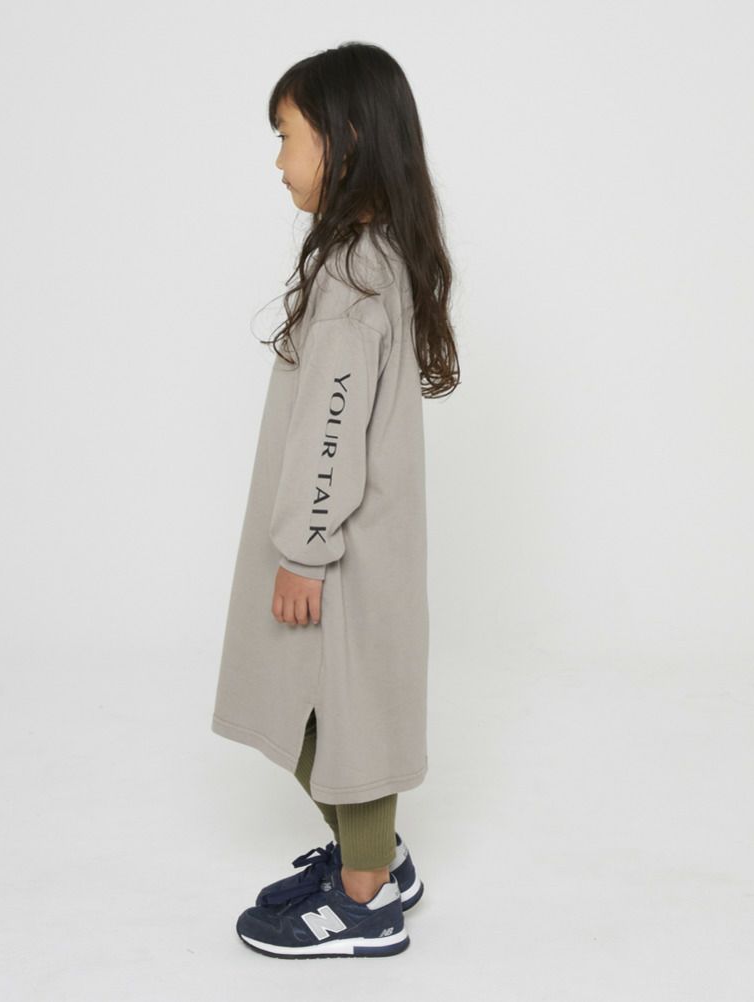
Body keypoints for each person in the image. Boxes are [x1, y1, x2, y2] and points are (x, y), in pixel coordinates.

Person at [211, 40, 460, 959]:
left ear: (345, 139)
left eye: (287, 137)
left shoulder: (355, 278)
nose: (278, 161)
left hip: (342, 549)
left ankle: (364, 902)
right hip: (362, 541)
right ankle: (377, 859)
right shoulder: (372, 258)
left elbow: (329, 432)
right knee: (344, 707)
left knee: (335, 714)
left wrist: (303, 550)